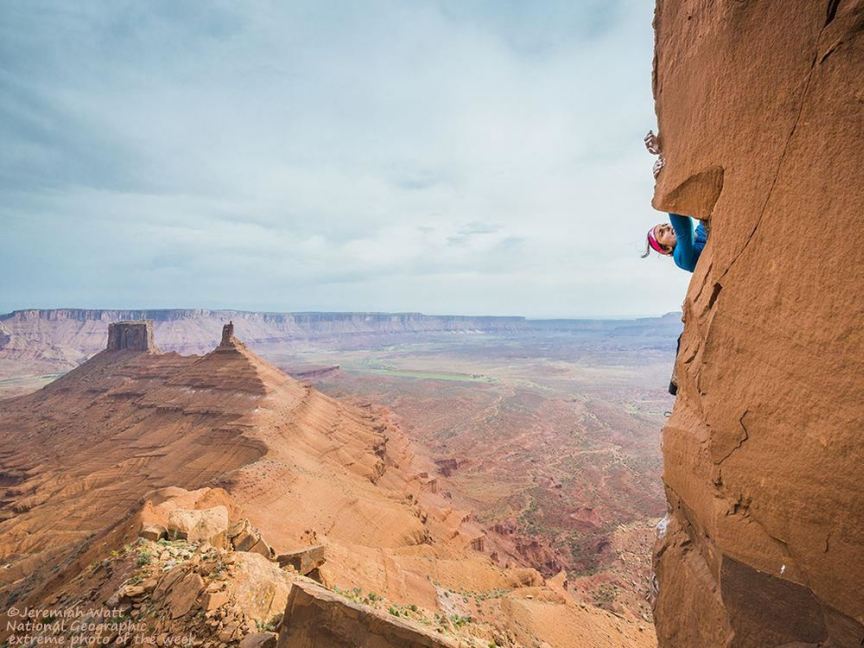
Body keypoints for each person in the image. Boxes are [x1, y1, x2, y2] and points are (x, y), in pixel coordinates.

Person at [641, 215, 709, 273]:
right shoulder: (680, 258)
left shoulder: (702, 228)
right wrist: (669, 203)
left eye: (665, 224)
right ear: (667, 249)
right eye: (662, 233)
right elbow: (683, 228)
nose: (667, 227)